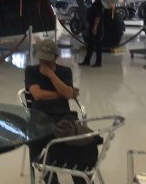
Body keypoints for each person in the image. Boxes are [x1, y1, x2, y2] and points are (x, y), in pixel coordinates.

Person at [25, 40, 98, 184]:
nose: (43, 62)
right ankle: (51, 178)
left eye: (47, 59)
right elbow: (38, 94)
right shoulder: (31, 71)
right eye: (41, 59)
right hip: (40, 117)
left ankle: (81, 176)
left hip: (64, 116)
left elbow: (67, 93)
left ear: (56, 57)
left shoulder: (65, 72)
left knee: (80, 142)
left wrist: (51, 75)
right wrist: (63, 93)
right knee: (44, 144)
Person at [80, 0, 103, 67]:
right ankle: (87, 61)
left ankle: (98, 62)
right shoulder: (95, 3)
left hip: (96, 27)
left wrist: (95, 27)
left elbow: (98, 16)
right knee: (90, 45)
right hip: (93, 26)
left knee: (97, 45)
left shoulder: (99, 4)